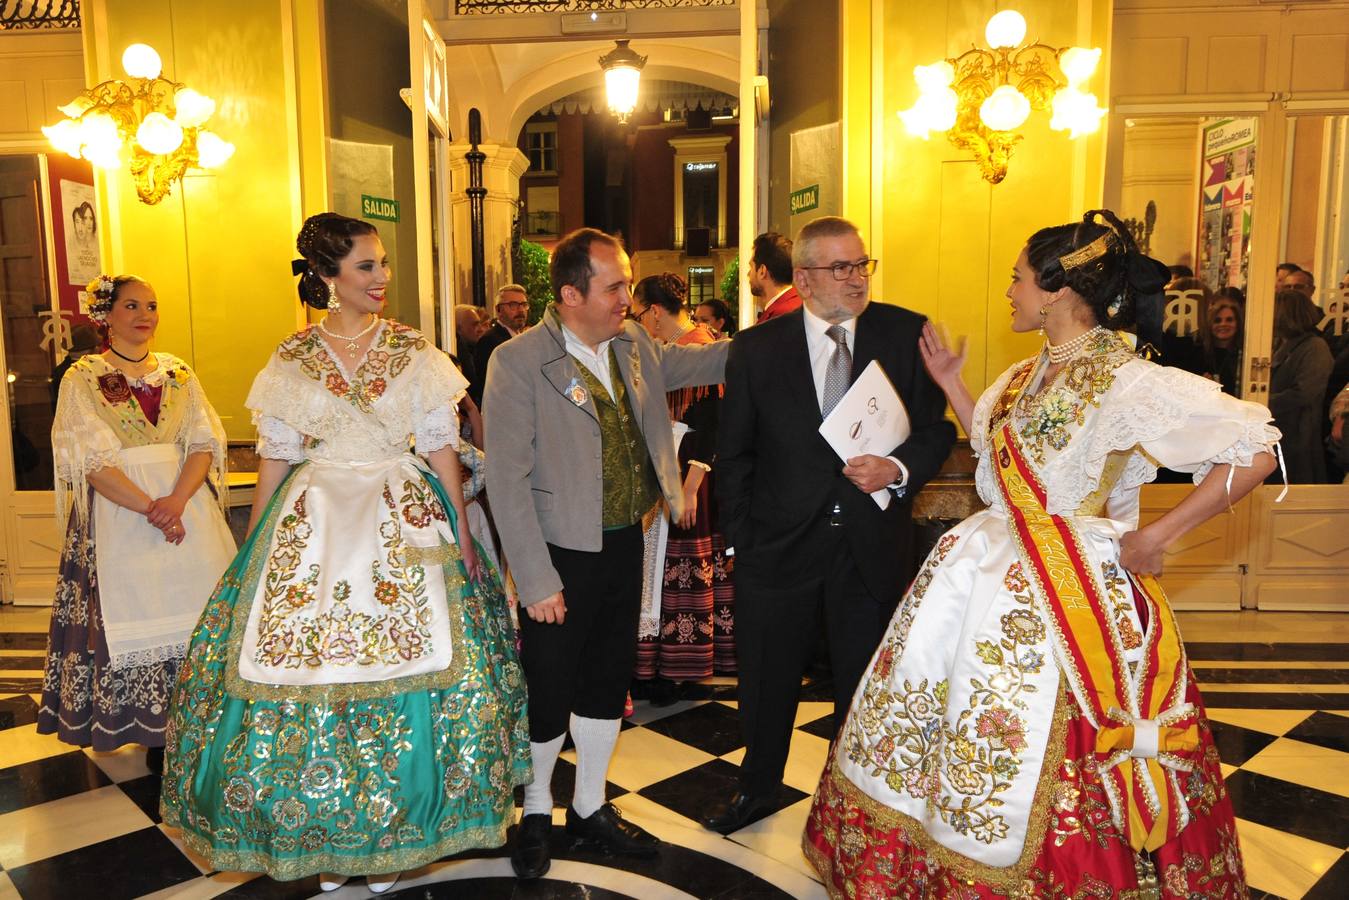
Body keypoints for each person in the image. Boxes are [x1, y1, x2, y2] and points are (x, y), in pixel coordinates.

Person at [803, 210, 1279, 898]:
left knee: (1046, 746)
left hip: (1070, 596)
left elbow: (1257, 448)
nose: (1009, 293)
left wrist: (1159, 535)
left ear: (1055, 290)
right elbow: (1004, 464)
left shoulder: (1127, 379)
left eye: (1016, 279)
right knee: (950, 726)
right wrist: (954, 387)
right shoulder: (1025, 375)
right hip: (980, 578)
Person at [159, 213, 529, 893]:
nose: (382, 277)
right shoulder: (291, 357)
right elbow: (276, 457)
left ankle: (392, 834)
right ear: (328, 277)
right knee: (311, 675)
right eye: (366, 266)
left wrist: (464, 533)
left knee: (428, 668)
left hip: (404, 515)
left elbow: (441, 448)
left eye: (382, 263)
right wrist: (251, 551)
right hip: (315, 522)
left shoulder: (414, 349)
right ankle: (330, 838)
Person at [484, 227, 728, 881]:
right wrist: (534, 579)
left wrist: (784, 340)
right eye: (614, 285)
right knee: (550, 684)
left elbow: (700, 363)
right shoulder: (517, 362)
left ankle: (589, 808)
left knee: (606, 678)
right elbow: (505, 480)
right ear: (570, 294)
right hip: (558, 553)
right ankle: (535, 809)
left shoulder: (632, 345)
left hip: (623, 540)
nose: (629, 296)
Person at [704, 215, 956, 833]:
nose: (856, 279)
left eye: (862, 265)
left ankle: (855, 806)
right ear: (805, 278)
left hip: (869, 544)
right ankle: (758, 789)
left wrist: (896, 468)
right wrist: (740, 539)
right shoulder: (758, 348)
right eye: (840, 268)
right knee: (766, 681)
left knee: (862, 683)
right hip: (777, 546)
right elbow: (734, 453)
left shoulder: (905, 333)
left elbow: (937, 429)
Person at [39, 274, 236, 775]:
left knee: (201, 611)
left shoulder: (179, 373)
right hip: (120, 514)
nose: (145, 315)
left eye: (151, 305)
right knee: (135, 613)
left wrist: (177, 499)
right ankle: (151, 730)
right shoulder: (82, 377)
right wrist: (153, 508)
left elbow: (200, 443)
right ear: (105, 314)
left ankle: (202, 722)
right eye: (131, 305)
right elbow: (90, 461)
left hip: (187, 506)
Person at [628, 273, 734, 705]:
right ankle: (656, 663)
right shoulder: (664, 348)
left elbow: (712, 425)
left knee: (675, 565)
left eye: (637, 313)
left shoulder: (695, 347)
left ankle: (677, 667)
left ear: (653, 312)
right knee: (656, 568)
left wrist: (689, 487)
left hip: (691, 471)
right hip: (665, 463)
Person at [1270, 289, 1334, 483]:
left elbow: (1305, 392)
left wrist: (1262, 401)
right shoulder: (1281, 344)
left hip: (1299, 431)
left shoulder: (1315, 347)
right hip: (1279, 429)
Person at [470, 283, 529, 404]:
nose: (521, 310)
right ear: (498, 310)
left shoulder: (522, 338)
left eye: (524, 305)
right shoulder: (490, 341)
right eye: (513, 305)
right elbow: (489, 386)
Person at [748, 231, 801, 324]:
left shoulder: (781, 317)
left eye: (751, 266)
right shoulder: (797, 305)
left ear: (762, 271)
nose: (748, 273)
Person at [1198, 293, 1244, 396]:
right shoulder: (1199, 353)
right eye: (1217, 321)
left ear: (1237, 323)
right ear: (1210, 324)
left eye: (1229, 320)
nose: (1223, 324)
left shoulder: (1244, 355)